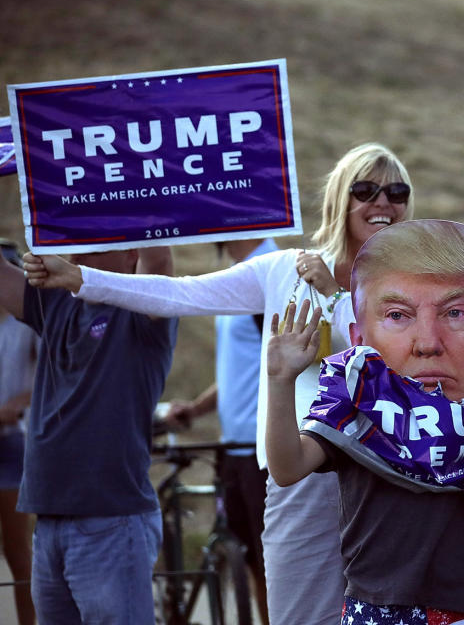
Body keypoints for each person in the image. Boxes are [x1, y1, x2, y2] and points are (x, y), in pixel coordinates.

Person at [24, 142, 415, 625]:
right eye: (366, 189)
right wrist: (82, 278)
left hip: (391, 479)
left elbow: (399, 372)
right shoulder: (284, 270)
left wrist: (334, 298)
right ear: (340, 198)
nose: (382, 202)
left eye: (396, 191)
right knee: (300, 618)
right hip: (304, 481)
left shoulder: (417, 284)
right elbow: (181, 293)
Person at [266, 220, 464, 624]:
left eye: (455, 312)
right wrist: (281, 382)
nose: (427, 343)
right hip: (376, 609)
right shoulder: (356, 408)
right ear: (357, 337)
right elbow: (286, 469)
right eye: (398, 315)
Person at [0, 243, 177, 624]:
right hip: (49, 519)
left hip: (110, 521)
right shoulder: (59, 304)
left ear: (131, 256)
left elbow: (159, 258)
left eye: (100, 240)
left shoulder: (141, 310)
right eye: (79, 237)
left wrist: (126, 189)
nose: (81, 249)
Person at [163, 237, 278, 624]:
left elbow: (289, 363)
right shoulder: (240, 277)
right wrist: (196, 408)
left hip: (264, 451)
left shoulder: (268, 275)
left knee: (273, 567)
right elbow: (244, 366)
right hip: (236, 449)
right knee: (251, 561)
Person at [0, 240, 37, 625]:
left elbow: (47, 373)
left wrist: (17, 405)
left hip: (12, 441)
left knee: (17, 550)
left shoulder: (25, 323)